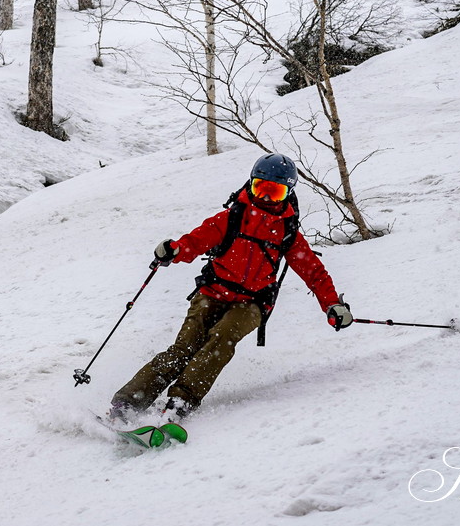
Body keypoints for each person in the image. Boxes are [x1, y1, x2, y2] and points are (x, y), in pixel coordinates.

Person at [109, 153, 352, 422]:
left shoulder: (287, 232)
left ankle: (180, 402)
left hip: (253, 302)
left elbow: (314, 272)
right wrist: (174, 250)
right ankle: (126, 405)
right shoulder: (232, 217)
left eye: (276, 192)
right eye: (261, 188)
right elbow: (197, 240)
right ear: (251, 184)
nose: (266, 198)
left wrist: (333, 305)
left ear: (288, 193)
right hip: (213, 290)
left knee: (222, 338)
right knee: (183, 349)